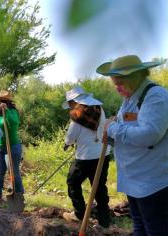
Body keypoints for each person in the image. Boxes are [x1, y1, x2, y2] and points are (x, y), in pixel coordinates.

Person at [97, 55, 168, 235]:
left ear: (137, 75)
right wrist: (112, 135)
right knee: (139, 226)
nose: (117, 87)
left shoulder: (155, 96)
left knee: (156, 230)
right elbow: (130, 130)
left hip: (153, 181)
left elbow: (149, 135)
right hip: (134, 179)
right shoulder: (129, 98)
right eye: (114, 83)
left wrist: (113, 128)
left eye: (120, 82)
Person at [61, 86, 111, 228]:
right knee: (99, 187)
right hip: (103, 154)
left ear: (74, 101)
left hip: (85, 157)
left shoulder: (77, 113)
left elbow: (71, 136)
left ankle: (79, 214)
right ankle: (104, 221)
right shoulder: (99, 109)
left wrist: (67, 144)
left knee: (73, 182)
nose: (70, 106)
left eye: (70, 103)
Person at [0, 90, 24, 205]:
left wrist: (7, 111)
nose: (0, 103)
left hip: (13, 146)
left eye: (2, 101)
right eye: (0, 101)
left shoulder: (13, 112)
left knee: (14, 173)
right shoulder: (0, 114)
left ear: (7, 102)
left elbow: (13, 123)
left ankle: (19, 196)